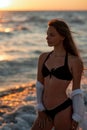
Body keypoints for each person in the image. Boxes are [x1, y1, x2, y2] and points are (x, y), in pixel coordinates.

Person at [31, 19, 85, 130]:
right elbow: (39, 86)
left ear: (63, 37)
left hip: (63, 109)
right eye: (47, 34)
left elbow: (76, 91)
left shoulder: (74, 61)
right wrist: (40, 108)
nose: (47, 37)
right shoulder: (43, 57)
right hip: (44, 109)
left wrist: (77, 117)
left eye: (51, 35)